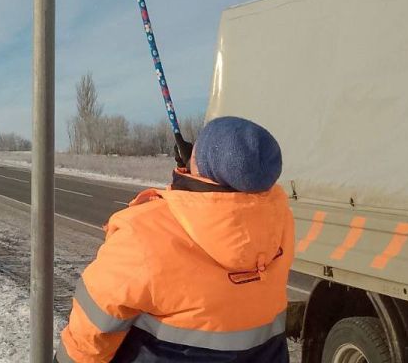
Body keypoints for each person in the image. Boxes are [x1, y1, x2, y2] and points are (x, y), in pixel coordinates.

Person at [55, 116, 293, 363]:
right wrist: (197, 171)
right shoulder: (281, 223)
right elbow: (230, 205)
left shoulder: (143, 233)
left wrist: (190, 176)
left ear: (200, 164)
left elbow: (91, 331)